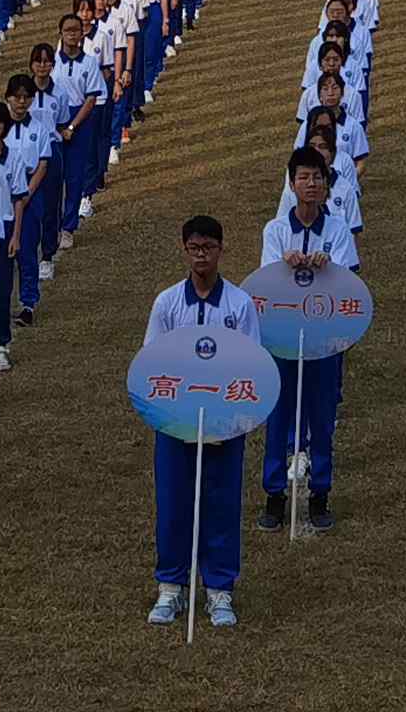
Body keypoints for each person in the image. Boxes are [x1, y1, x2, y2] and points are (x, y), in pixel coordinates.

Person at [143, 212, 257, 626]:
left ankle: (220, 589)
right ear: (184, 250)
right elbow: (152, 363)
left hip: (225, 421)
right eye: (194, 248)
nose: (201, 255)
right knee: (174, 502)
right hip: (176, 422)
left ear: (221, 250)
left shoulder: (239, 304)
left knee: (221, 502)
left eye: (209, 247)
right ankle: (171, 587)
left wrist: (232, 414)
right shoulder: (168, 303)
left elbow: (250, 364)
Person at [258, 142, 357, 527]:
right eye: (303, 178)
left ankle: (320, 493)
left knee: (321, 413)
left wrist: (327, 267)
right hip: (283, 335)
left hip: (324, 336)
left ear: (326, 184)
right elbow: (265, 285)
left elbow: (350, 282)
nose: (311, 184)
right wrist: (286, 265)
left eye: (317, 177)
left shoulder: (337, 229)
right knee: (280, 412)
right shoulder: (276, 230)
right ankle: (273, 495)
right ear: (292, 184)